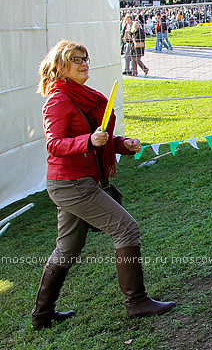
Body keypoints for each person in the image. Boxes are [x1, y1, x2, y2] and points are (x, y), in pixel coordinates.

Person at [32, 40, 175, 330]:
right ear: (61, 66)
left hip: (78, 180)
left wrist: (124, 145)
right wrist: (87, 141)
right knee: (125, 228)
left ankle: (42, 315)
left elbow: (101, 139)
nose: (85, 64)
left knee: (68, 247)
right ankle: (136, 302)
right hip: (70, 183)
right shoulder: (59, 99)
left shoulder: (86, 96)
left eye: (86, 58)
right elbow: (54, 145)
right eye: (76, 59)